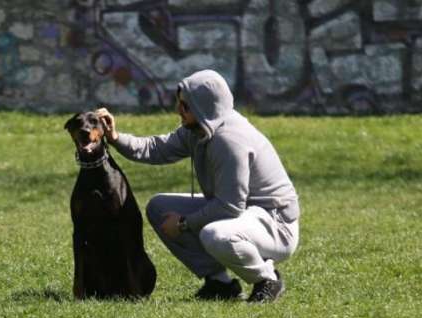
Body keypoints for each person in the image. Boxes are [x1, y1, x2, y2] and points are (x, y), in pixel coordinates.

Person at [96, 69, 300, 303]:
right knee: (159, 206)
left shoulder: (228, 141)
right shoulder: (200, 129)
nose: (178, 110)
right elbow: (156, 148)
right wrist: (114, 137)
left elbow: (229, 207)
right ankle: (220, 284)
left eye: (185, 105)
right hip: (245, 214)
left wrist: (183, 223)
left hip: (276, 226)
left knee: (216, 235)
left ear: (203, 106)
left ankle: (267, 279)